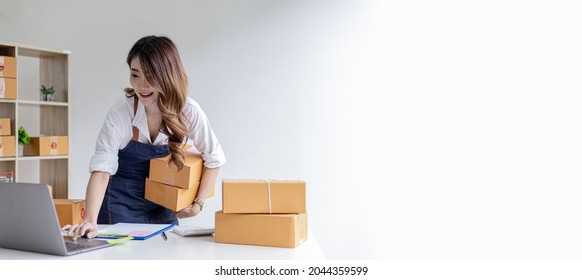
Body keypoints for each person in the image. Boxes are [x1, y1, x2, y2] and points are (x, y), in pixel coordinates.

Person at [63, 35, 226, 238]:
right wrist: (89, 220)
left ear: (168, 75)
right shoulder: (122, 110)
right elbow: (102, 169)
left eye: (150, 75)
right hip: (119, 203)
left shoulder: (189, 111)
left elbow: (214, 158)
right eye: (135, 75)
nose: (141, 85)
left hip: (163, 206)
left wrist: (197, 205)